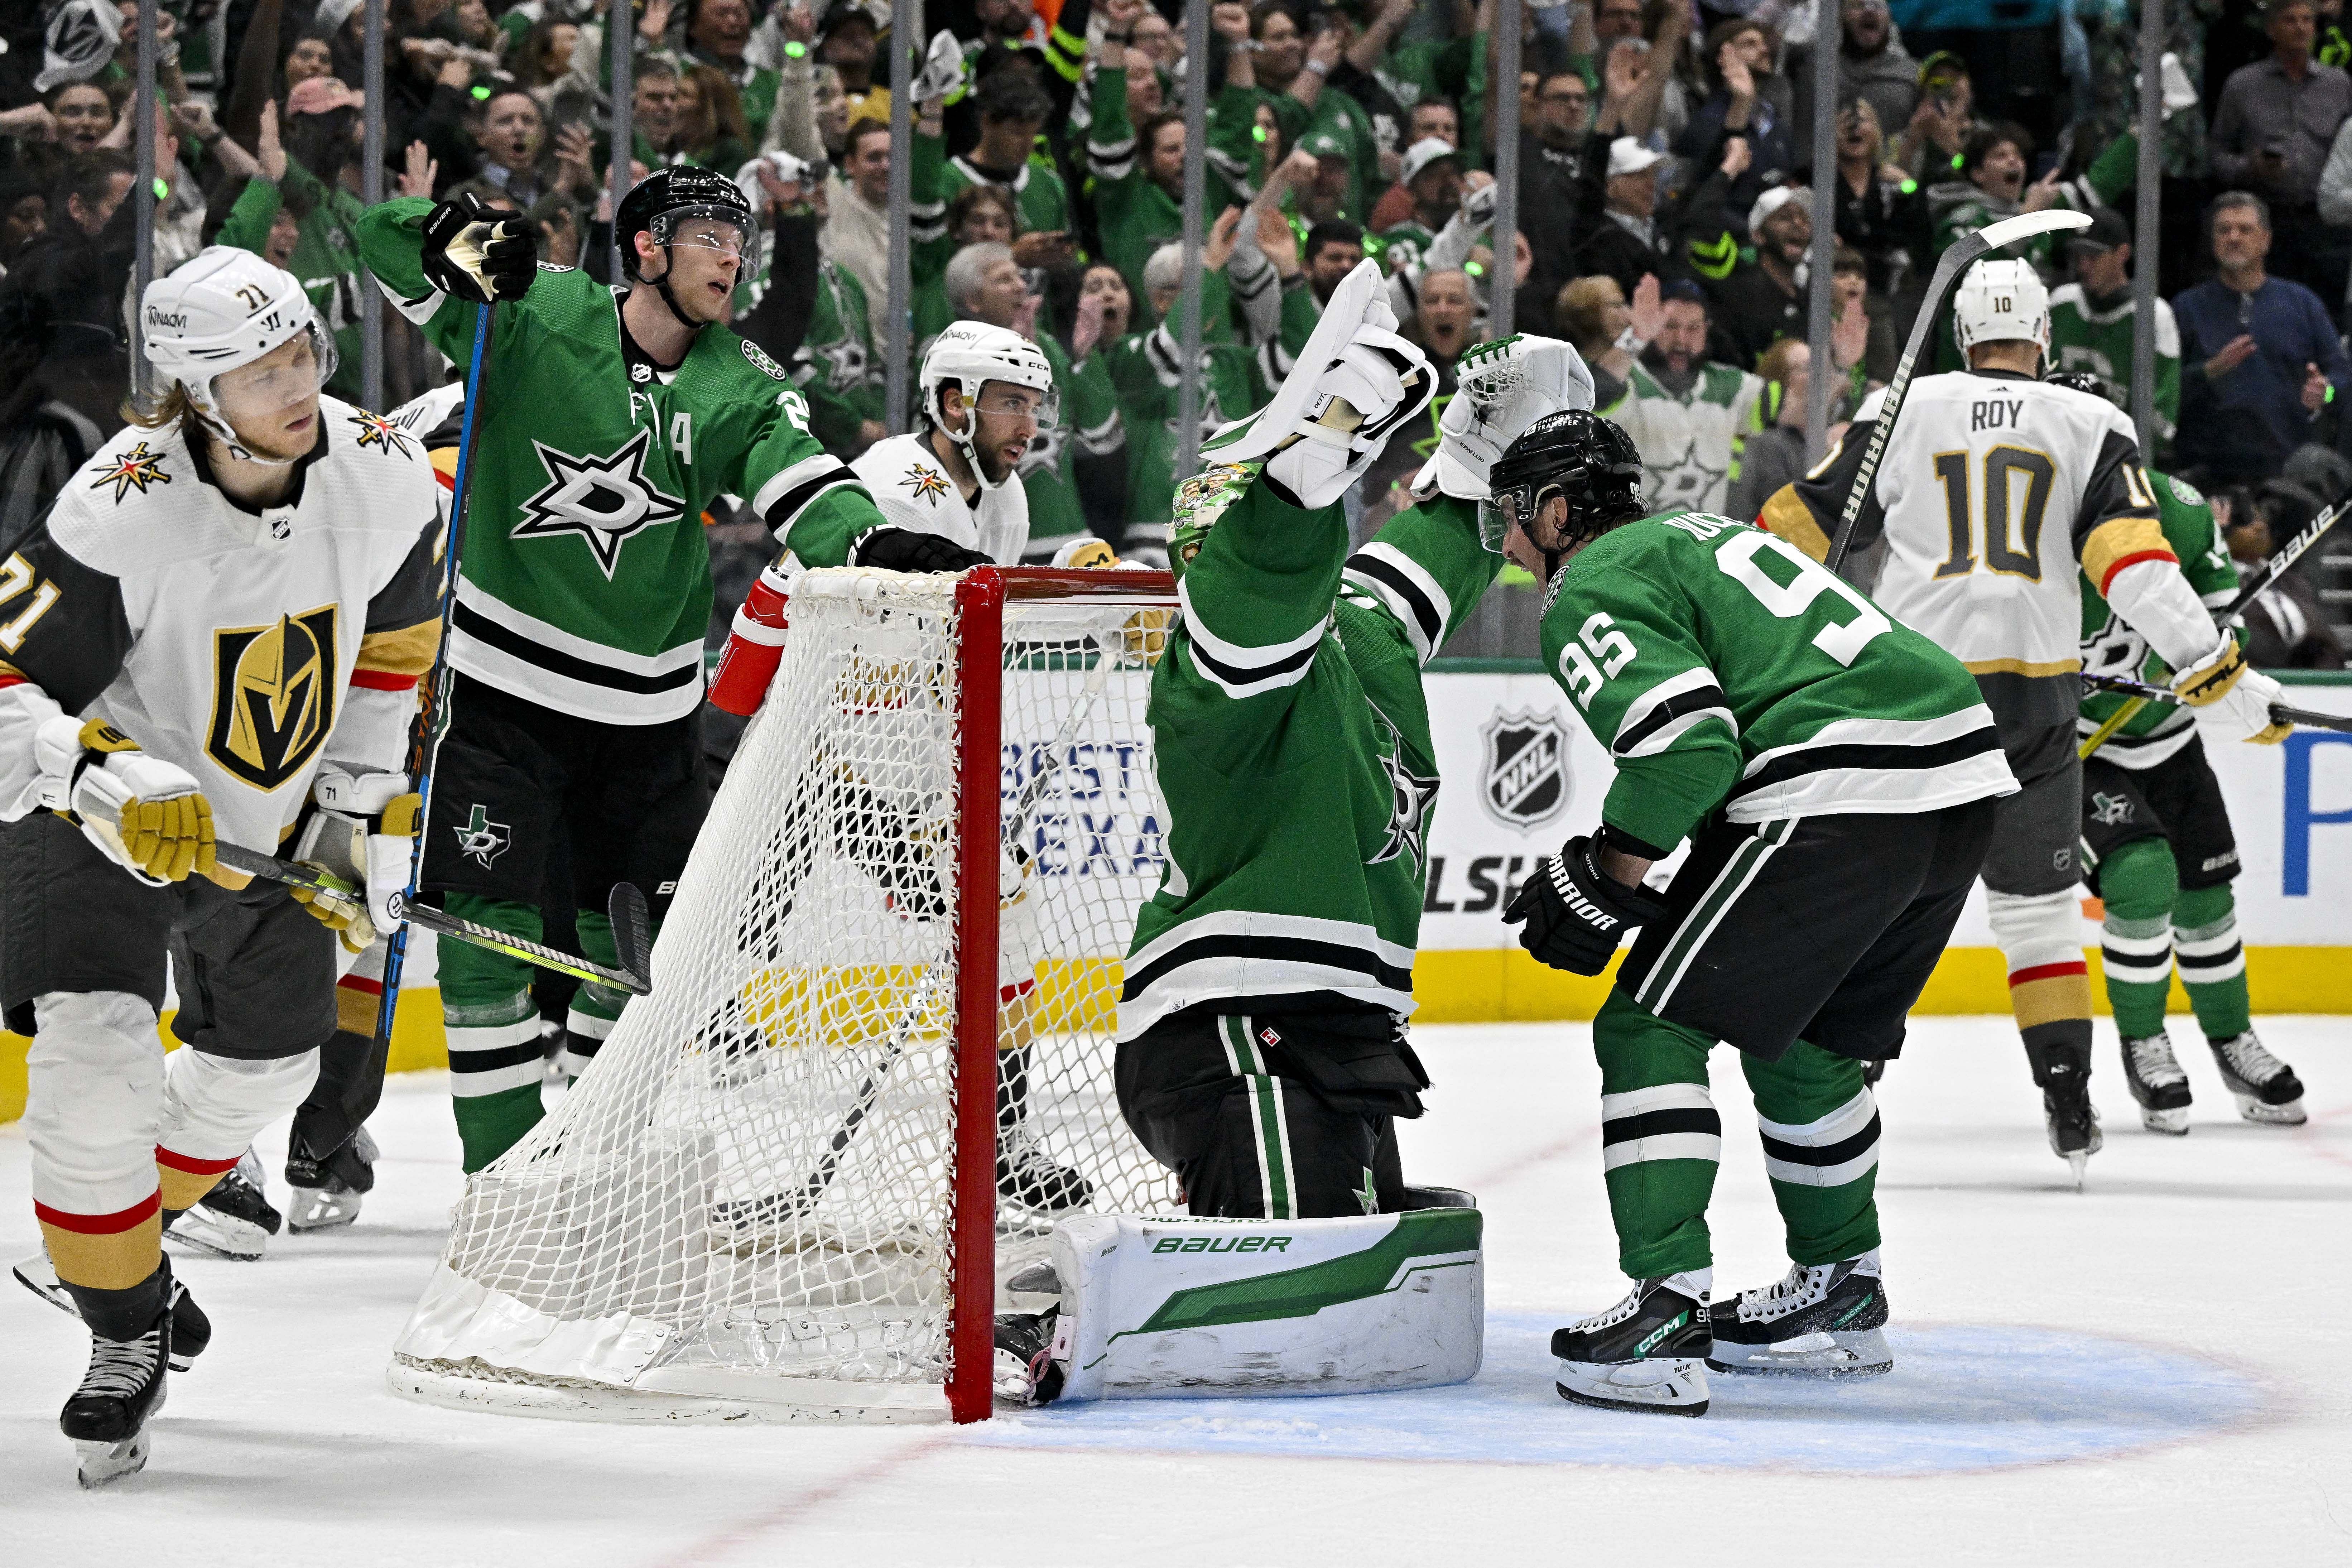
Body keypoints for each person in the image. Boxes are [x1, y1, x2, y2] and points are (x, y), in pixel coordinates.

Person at [0, 247, 443, 1484]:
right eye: (259, 372)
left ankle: (113, 1241)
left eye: (303, 353)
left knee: (270, 1063)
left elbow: (392, 656)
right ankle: (125, 1325)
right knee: (93, 1063)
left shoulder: (384, 472)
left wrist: (355, 805)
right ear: (194, 393)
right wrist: (93, 772)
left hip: (273, 816)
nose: (296, 386)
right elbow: (6, 688)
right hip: (91, 808)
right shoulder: (119, 505)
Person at [353, 166, 887, 1172]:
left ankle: (588, 1164)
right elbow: (381, 241)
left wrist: (875, 550)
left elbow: (805, 484)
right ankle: (498, 1179)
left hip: (647, 715)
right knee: (483, 938)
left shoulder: (741, 377)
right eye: (707, 236)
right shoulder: (541, 308)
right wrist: (452, 237)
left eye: (739, 239)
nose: (732, 256)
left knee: (634, 956)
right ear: (644, 247)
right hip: (505, 687)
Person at [1486, 408, 2014, 1415]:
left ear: (1557, 512)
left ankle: (1664, 1309)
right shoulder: (1705, 534)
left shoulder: (1588, 583)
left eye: (1512, 516)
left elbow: (1688, 745)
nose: (1507, 543)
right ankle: (1838, 1292)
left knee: (1646, 1024)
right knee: (1801, 1043)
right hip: (1953, 781)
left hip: (1838, 778)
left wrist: (1612, 869)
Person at [1760, 260, 2293, 1181]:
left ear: (1964, 337)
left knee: (1884, 904)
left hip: (1910, 690)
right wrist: (2219, 673)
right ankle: (2068, 1099)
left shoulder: (1906, 405)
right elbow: (2137, 570)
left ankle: (1839, 1088)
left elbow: (1792, 524)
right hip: (2037, 695)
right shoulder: (2091, 421)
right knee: (2039, 914)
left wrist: (1766, 646)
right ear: (2044, 339)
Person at [1114, 280, 1567, 1222]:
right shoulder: (1215, 671)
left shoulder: (1358, 625)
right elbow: (1254, 585)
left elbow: (1440, 545)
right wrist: (1301, 469)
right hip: (1231, 1027)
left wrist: (1489, 450)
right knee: (1293, 1295)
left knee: (1384, 1279)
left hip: (1337, 1028)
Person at [2058, 409, 2311, 1136]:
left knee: (2205, 895)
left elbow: (2217, 611)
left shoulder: (2181, 511)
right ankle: (2144, 1042)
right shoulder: (2029, 528)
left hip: (2165, 739)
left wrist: (2216, 652)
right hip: (2077, 749)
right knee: (2140, 875)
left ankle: (2232, 1041)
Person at [2175, 192, 2352, 485]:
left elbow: (2343, 378)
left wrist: (2326, 393)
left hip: (2287, 474)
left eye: (2245, 230)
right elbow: (2162, 390)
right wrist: (2210, 370)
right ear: (2213, 241)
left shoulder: (2302, 304)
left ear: (2265, 240)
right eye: (2224, 230)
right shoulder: (2187, 308)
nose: (2234, 238)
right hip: (2207, 473)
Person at [2209, 0, 2352, 301]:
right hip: (2264, 220)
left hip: (2324, 225)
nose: (2300, 29)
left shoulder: (2338, 85)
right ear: (2271, 29)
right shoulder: (2242, 85)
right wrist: (2250, 167)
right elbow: (2216, 154)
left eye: (2306, 21)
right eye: (2290, 21)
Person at [1600, 280, 1763, 516]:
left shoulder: (1731, 386)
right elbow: (1591, 400)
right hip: (1634, 545)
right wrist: (1636, 337)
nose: (1681, 341)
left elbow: (1799, 408)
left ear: (1707, 329)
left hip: (1703, 547)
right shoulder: (1626, 379)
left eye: (1693, 328)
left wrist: (1837, 366)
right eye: (1670, 326)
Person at [2047, 207, 2180, 456]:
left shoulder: (2152, 315)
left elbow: (2162, 419)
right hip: (2058, 455)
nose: (2083, 266)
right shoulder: (2060, 303)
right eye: (2078, 256)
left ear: (2122, 255)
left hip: (2119, 465)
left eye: (2094, 256)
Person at [2221, 491, 2346, 668]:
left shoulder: (2293, 582)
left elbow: (2326, 642)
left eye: (2261, 520)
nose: (2260, 527)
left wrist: (2321, 681)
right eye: (2248, 522)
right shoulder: (2220, 585)